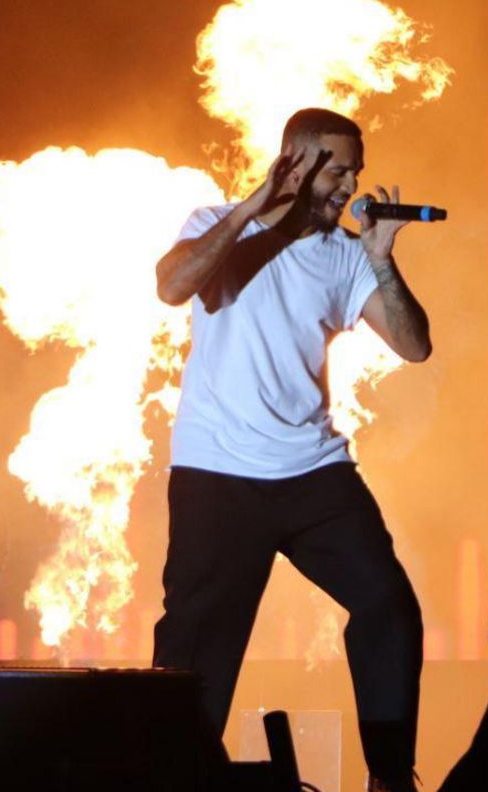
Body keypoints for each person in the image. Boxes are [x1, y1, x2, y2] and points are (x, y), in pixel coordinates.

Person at [152, 107, 431, 792]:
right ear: (297, 164)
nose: (351, 183)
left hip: (312, 472)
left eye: (355, 170)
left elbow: (415, 345)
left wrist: (380, 259)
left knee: (389, 607)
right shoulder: (218, 224)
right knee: (197, 654)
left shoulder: (344, 254)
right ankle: (165, 779)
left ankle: (390, 778)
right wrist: (257, 203)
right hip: (218, 472)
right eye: (337, 168)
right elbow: (172, 284)